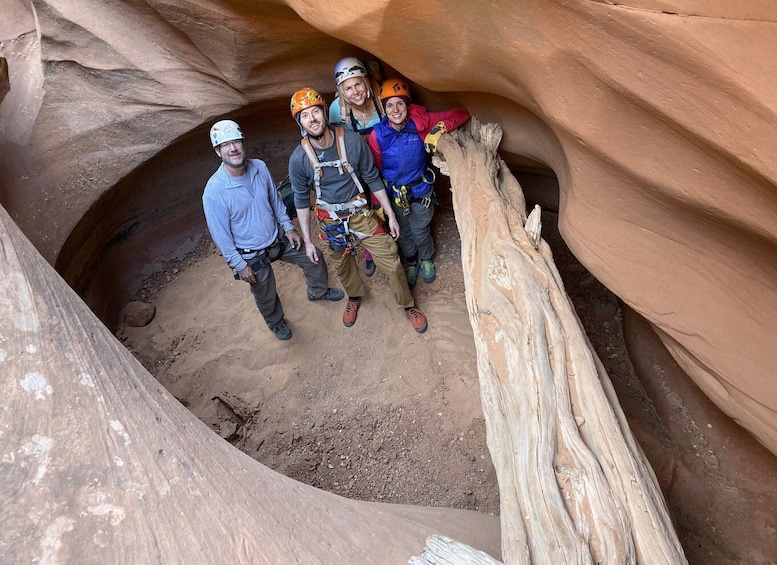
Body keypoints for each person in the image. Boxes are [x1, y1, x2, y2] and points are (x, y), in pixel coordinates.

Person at [287, 88, 428, 333]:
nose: (312, 119)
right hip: (329, 220)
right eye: (305, 115)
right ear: (300, 123)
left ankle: (407, 304)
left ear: (324, 112)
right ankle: (354, 295)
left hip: (360, 215)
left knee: (391, 258)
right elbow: (301, 200)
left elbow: (373, 178)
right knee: (343, 265)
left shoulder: (351, 141)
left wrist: (391, 215)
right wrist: (308, 241)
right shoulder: (299, 159)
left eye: (315, 112)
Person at [203, 119, 344, 341]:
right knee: (265, 294)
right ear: (218, 151)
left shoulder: (258, 167)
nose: (233, 149)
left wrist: (288, 227)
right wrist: (239, 265)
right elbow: (221, 235)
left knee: (312, 256)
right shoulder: (214, 191)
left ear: (242, 143)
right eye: (226, 145)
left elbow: (274, 200)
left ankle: (318, 291)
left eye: (236, 142)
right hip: (251, 253)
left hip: (276, 238)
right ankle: (275, 322)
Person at [369, 78, 470, 289]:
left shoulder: (420, 124)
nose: (395, 110)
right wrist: (377, 204)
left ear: (407, 105)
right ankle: (412, 262)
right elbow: (375, 172)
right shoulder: (377, 136)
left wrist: (438, 129)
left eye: (400, 104)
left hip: (420, 191)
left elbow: (461, 114)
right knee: (403, 232)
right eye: (390, 105)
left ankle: (426, 259)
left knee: (420, 230)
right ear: (383, 108)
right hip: (394, 194)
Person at [329, 56, 385, 277]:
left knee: (388, 203)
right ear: (342, 91)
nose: (355, 92)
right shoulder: (338, 110)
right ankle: (371, 251)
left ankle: (395, 241)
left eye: (358, 84)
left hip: (385, 162)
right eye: (348, 88)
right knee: (365, 210)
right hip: (358, 167)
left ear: (366, 81)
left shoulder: (382, 100)